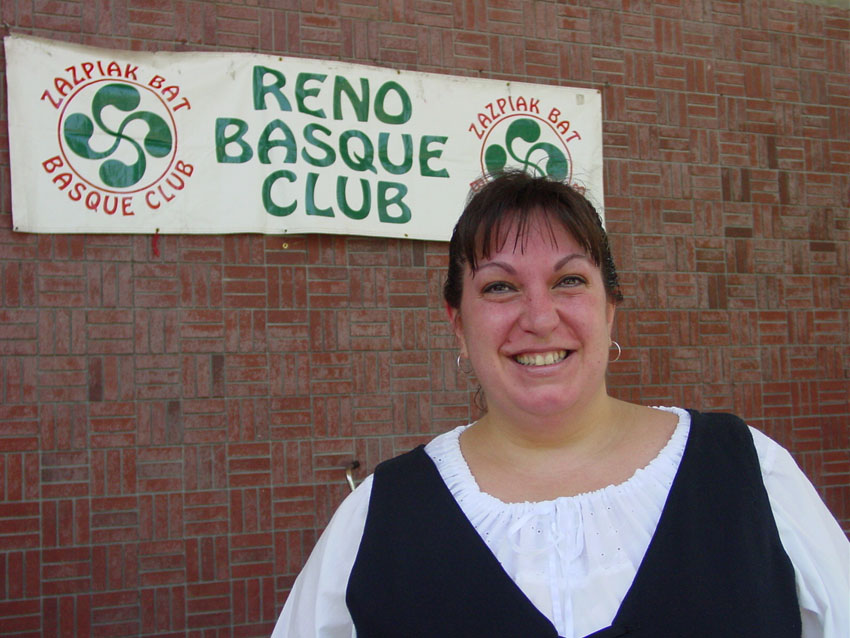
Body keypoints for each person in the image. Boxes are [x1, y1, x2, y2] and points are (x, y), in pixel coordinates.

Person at [271, 170, 849, 637]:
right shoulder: (378, 519)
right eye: (500, 286)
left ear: (610, 309)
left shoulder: (747, 473)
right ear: (458, 325)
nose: (540, 317)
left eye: (569, 280)